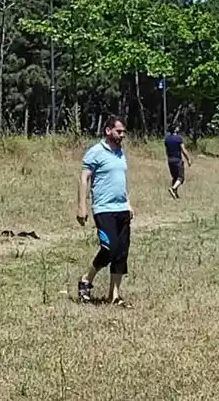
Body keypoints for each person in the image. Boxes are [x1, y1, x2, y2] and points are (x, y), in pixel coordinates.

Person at [76, 116, 133, 306]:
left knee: (121, 252)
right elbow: (84, 178)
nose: (122, 135)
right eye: (119, 131)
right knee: (109, 248)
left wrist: (129, 203)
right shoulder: (95, 152)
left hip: (122, 208)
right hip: (103, 208)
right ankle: (86, 279)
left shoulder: (120, 153)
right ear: (108, 131)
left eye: (124, 132)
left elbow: (121, 181)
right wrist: (82, 206)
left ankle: (114, 295)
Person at [164, 124, 192, 200]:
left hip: (170, 160)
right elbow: (183, 150)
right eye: (177, 127)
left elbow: (167, 151)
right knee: (181, 178)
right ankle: (173, 188)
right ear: (175, 129)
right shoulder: (179, 138)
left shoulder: (167, 139)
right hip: (177, 160)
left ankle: (175, 195)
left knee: (175, 178)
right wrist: (188, 159)